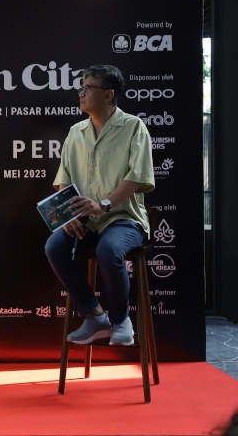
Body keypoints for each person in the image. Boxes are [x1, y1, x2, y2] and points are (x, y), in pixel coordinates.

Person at [45, 64, 154, 346]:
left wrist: (103, 204)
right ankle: (95, 315)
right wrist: (67, 215)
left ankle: (121, 320)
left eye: (87, 88)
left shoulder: (133, 127)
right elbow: (63, 179)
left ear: (108, 95)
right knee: (55, 247)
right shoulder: (76, 131)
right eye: (81, 88)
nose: (80, 93)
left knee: (109, 250)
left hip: (123, 218)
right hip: (85, 220)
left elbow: (136, 178)